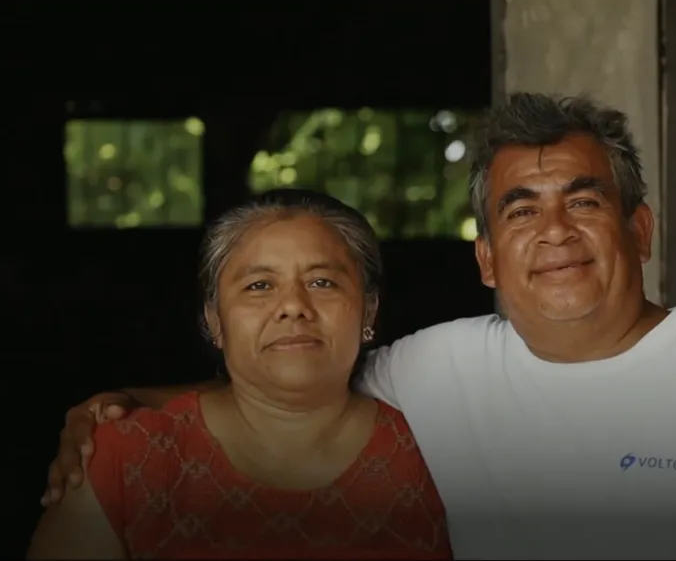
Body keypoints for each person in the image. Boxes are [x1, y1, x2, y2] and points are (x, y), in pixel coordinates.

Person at [43, 93, 676, 559]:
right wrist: (121, 405)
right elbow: (288, 375)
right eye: (522, 212)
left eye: (584, 202)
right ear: (487, 259)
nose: (554, 233)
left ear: (640, 230)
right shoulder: (435, 368)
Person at [28, 190, 451, 560]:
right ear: (214, 319)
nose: (293, 306)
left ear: (369, 310)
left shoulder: (441, 451)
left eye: (322, 282)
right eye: (259, 286)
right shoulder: (122, 460)